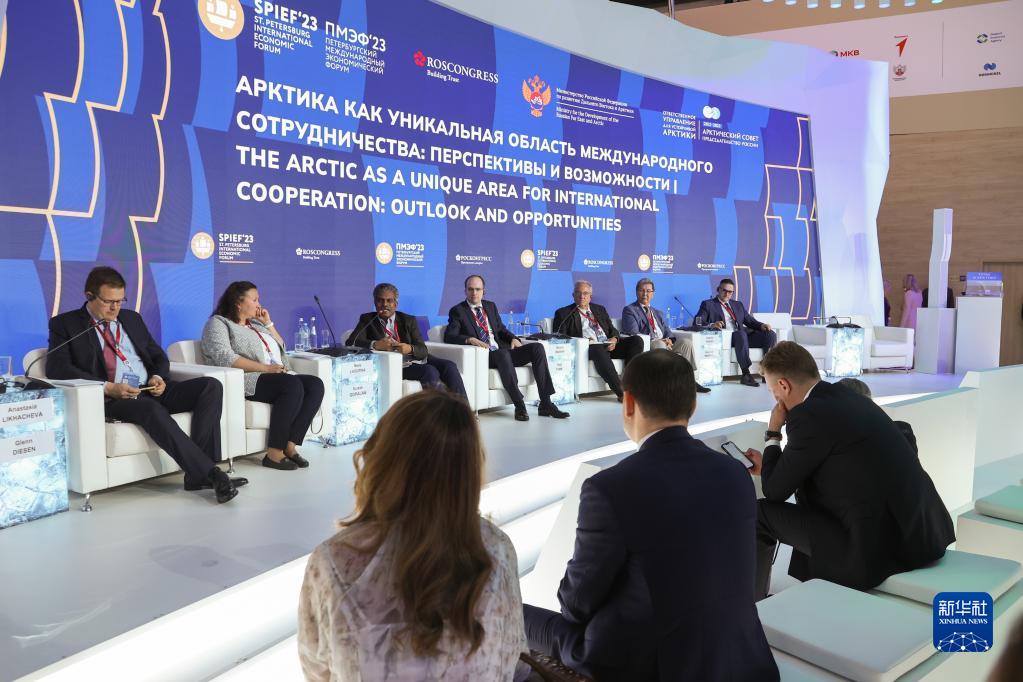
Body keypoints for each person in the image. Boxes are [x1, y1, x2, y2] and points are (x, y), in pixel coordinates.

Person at [522, 350, 779, 681]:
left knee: (514, 614)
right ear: (693, 405)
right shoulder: (735, 473)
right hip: (737, 655)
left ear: (628, 403)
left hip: (648, 665)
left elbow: (575, 604)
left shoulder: (610, 488)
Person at [298, 391, 529, 681]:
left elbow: (318, 670)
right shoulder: (496, 549)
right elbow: (514, 659)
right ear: (470, 468)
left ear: (382, 456)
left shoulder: (333, 560)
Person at [744, 342, 955, 600]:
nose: (775, 399)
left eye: (773, 391)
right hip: (919, 534)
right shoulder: (847, 397)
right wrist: (773, 468)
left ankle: (751, 605)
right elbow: (832, 461)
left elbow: (774, 491)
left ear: (784, 386)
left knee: (758, 514)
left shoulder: (808, 415)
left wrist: (773, 433)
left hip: (874, 548)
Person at [46, 266, 242, 503]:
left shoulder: (132, 318)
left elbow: (158, 356)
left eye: (120, 301)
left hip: (150, 388)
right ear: (89, 296)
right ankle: (211, 473)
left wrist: (158, 376)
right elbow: (57, 368)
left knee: (210, 386)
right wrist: (107, 386)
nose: (115, 308)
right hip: (114, 397)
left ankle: (197, 474)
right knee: (150, 408)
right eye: (108, 302)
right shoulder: (66, 324)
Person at [201, 281, 324, 471]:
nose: (259, 304)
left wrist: (268, 323)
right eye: (255, 299)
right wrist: (266, 368)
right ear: (238, 302)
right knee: (290, 385)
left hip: (277, 374)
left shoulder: (257, 324)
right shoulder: (218, 323)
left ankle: (290, 445)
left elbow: (281, 347)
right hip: (248, 377)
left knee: (315, 385)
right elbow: (224, 356)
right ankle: (274, 453)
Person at [445, 275, 569, 422]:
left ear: (484, 291)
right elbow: (450, 336)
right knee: (502, 354)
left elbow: (501, 329)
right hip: (485, 356)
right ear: (465, 291)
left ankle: (546, 403)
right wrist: (469, 339)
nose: (474, 293)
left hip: (503, 352)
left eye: (478, 289)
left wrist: (513, 338)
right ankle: (519, 405)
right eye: (470, 289)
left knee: (537, 348)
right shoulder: (458, 311)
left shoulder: (490, 306)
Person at [346, 283, 467, 399]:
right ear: (375, 302)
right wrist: (375, 344)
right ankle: (439, 411)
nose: (384, 304)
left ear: (396, 304)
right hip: (397, 364)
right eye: (380, 300)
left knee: (449, 366)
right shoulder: (367, 319)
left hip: (415, 357)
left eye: (389, 300)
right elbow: (351, 342)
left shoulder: (408, 320)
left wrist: (410, 348)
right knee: (429, 371)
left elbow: (423, 349)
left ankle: (463, 409)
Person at [552, 280, 644, 402]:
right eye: (578, 293)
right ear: (573, 295)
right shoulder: (564, 313)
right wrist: (584, 340)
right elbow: (560, 337)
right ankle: (621, 392)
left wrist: (614, 339)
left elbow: (612, 330)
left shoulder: (599, 309)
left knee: (637, 340)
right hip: (588, 348)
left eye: (585, 293)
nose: (582, 296)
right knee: (597, 348)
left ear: (590, 296)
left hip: (607, 344)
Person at [621, 278, 710, 393]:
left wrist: (670, 340)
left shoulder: (658, 312)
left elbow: (667, 331)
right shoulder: (630, 310)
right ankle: (663, 384)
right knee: (659, 344)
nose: (645, 294)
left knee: (686, 343)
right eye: (642, 290)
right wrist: (661, 341)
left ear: (653, 294)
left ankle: (689, 380)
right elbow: (633, 333)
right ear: (636, 292)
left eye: (648, 291)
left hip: (663, 342)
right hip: (649, 344)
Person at [695, 278, 776, 387]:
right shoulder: (708, 304)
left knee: (770, 334)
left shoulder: (738, 304)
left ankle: (767, 371)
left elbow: (750, 321)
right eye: (724, 290)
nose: (727, 294)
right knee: (740, 334)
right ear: (718, 289)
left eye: (730, 292)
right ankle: (746, 374)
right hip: (726, 338)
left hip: (743, 337)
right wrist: (712, 325)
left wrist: (761, 325)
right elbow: (698, 321)